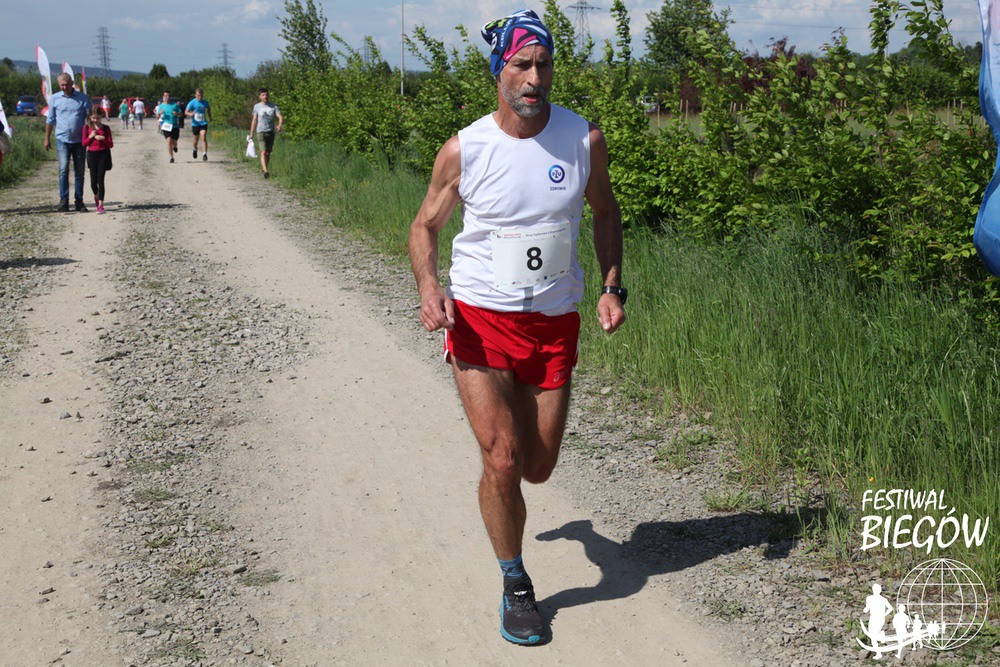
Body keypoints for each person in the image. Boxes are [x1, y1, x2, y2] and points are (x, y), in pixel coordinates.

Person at [407, 9, 625, 646]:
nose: (535, 78)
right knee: (502, 457)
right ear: (498, 71)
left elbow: (606, 212)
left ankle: (558, 528)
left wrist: (611, 286)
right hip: (479, 320)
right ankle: (515, 582)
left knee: (538, 465)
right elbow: (424, 226)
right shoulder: (466, 148)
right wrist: (429, 287)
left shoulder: (583, 139)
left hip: (552, 323)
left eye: (544, 65)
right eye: (522, 65)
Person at [44, 73, 92, 212]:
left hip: (79, 141)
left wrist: (92, 136)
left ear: (72, 83)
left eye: (67, 84)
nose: (65, 87)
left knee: (79, 171)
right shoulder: (55, 98)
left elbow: (90, 118)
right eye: (62, 85)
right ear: (59, 85)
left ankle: (79, 201)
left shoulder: (83, 98)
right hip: (62, 139)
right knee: (63, 169)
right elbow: (50, 120)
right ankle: (64, 201)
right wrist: (47, 138)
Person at [81, 106, 113, 214]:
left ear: (101, 117)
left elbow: (111, 144)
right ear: (90, 117)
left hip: (103, 154)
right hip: (92, 155)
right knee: (93, 182)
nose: (96, 120)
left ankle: (100, 205)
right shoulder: (86, 128)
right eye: (94, 118)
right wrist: (90, 137)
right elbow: (84, 144)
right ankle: (96, 195)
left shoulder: (106, 128)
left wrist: (103, 139)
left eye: (98, 118)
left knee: (100, 180)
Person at [249, 88, 283, 178]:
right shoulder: (257, 106)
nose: (265, 96)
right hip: (260, 131)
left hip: (271, 131)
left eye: (267, 95)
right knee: (263, 152)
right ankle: (265, 171)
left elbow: (280, 116)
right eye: (263, 95)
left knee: (268, 153)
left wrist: (280, 124)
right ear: (260, 96)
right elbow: (254, 120)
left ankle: (264, 169)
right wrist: (251, 133)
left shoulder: (273, 106)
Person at [185, 88, 212, 161]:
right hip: (195, 124)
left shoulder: (205, 102)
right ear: (195, 95)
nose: (200, 97)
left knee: (203, 137)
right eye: (198, 95)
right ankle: (195, 149)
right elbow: (186, 112)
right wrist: (191, 114)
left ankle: (204, 154)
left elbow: (208, 109)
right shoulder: (192, 102)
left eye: (201, 95)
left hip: (203, 123)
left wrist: (210, 117)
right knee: (195, 140)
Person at [156, 92, 183, 163]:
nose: (167, 97)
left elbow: (181, 114)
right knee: (168, 141)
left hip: (175, 126)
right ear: (163, 97)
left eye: (168, 95)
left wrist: (177, 113)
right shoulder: (161, 106)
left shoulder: (175, 105)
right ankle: (172, 157)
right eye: (165, 96)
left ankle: (175, 146)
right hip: (166, 126)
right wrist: (159, 113)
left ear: (170, 97)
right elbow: (157, 117)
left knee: (174, 142)